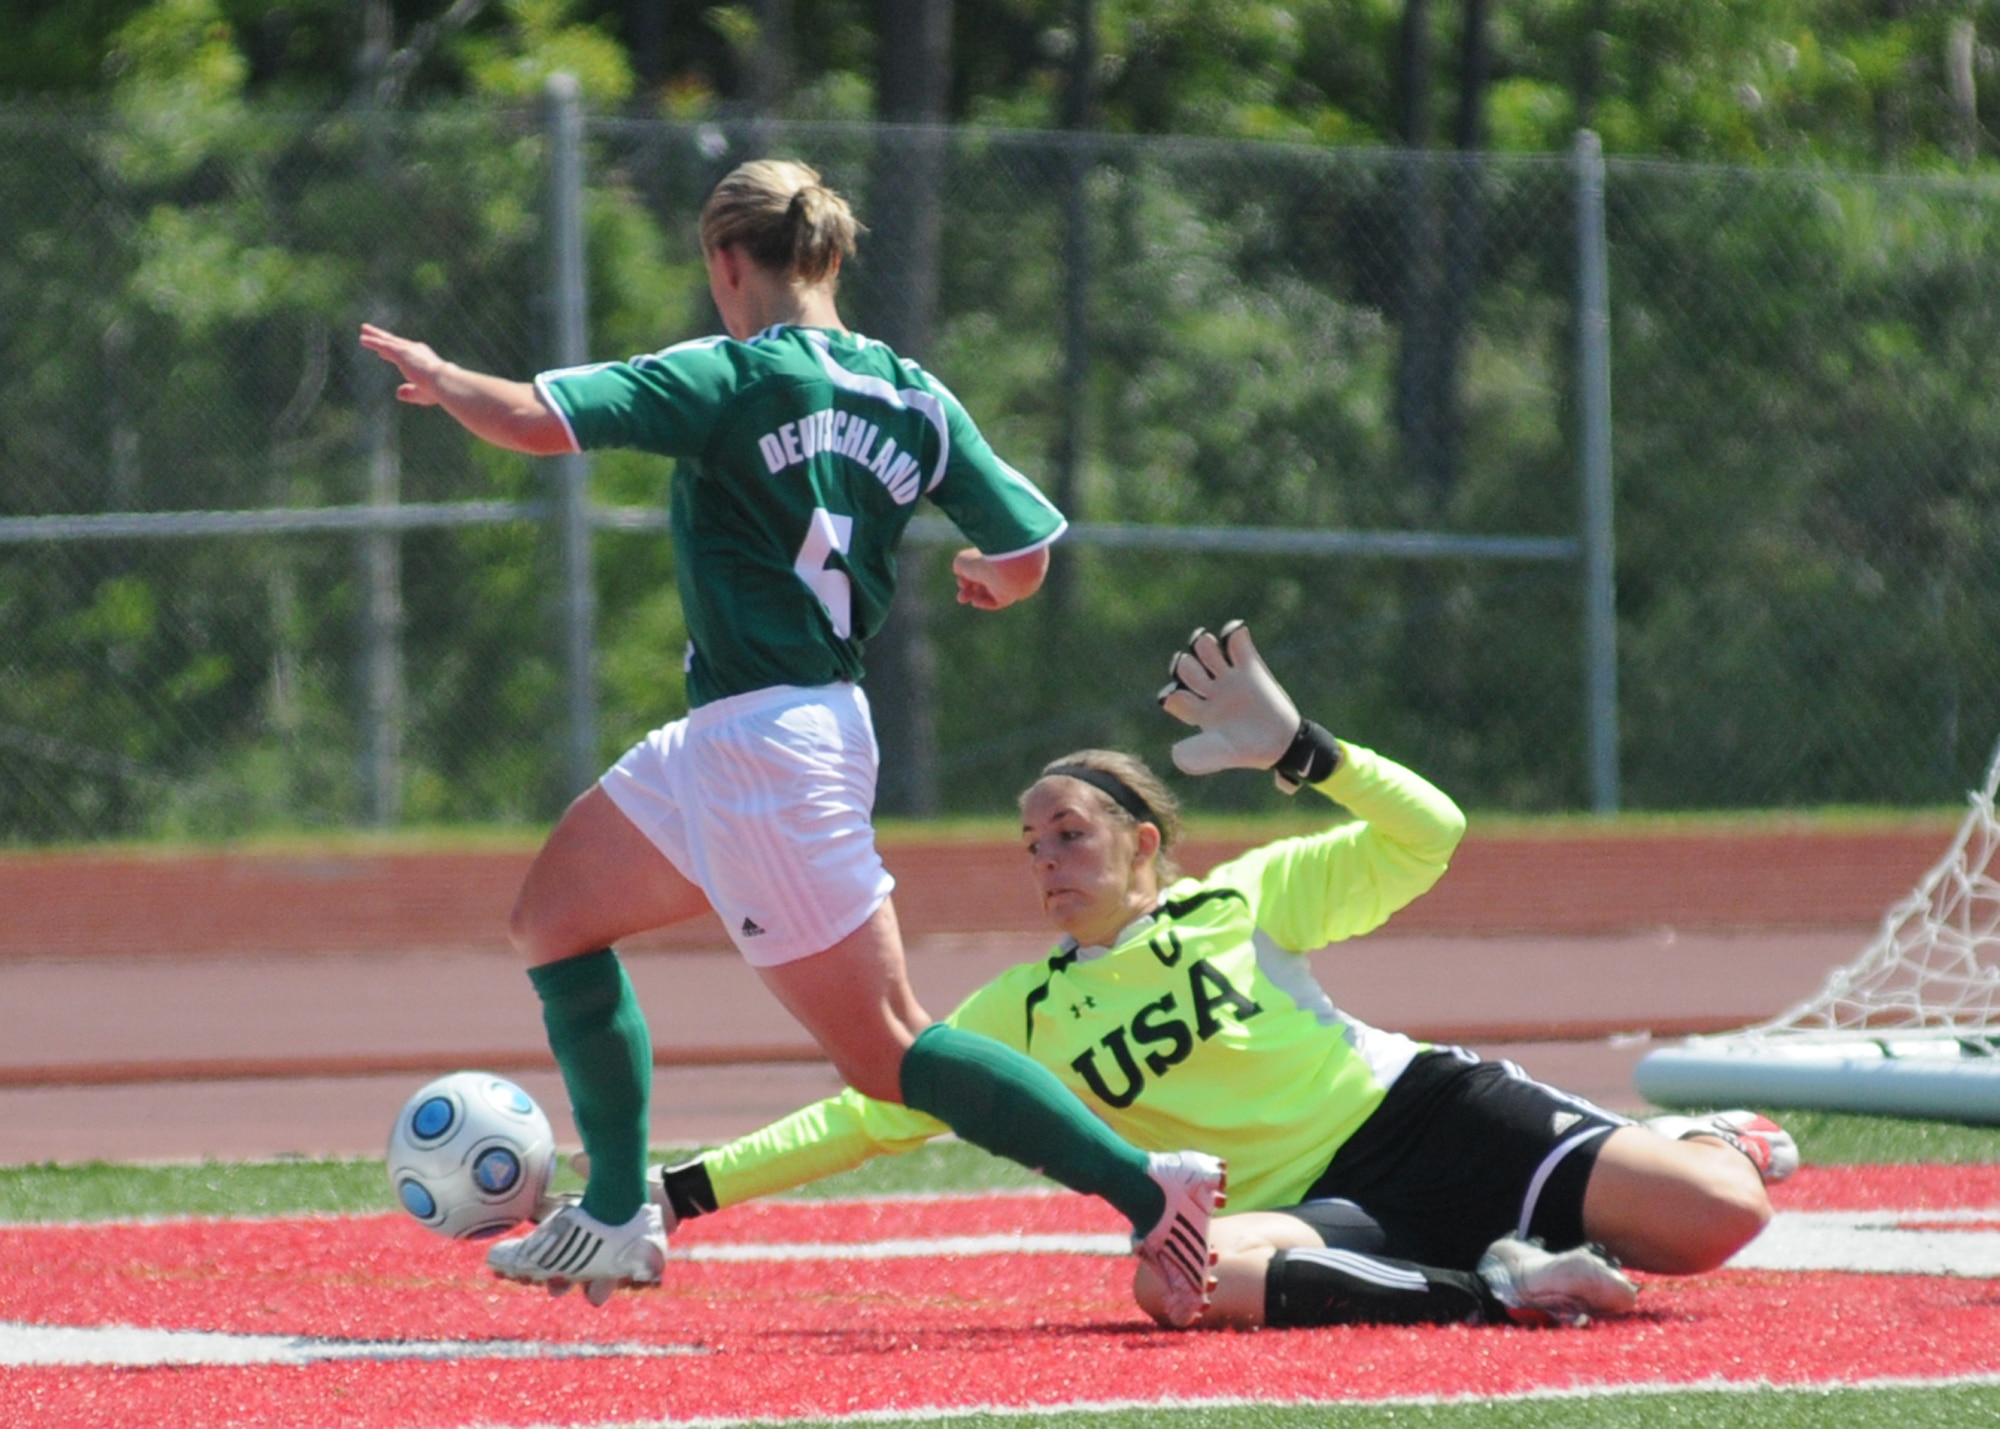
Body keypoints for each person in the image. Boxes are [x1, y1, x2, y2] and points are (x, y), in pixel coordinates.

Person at [358, 159, 1223, 1319]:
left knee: (885, 1050)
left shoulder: (726, 374)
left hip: (765, 744)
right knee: (554, 919)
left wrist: (439, 375)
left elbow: (531, 419)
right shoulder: (912, 392)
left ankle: (1147, 1188)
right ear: (827, 255)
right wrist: (986, 577)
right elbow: (1022, 554)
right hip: (764, 724)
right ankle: (617, 1211)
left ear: (727, 262)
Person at [636, 621, 1795, 1330]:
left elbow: (1428, 834)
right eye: (1031, 843)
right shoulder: (1025, 1011)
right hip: (1319, 1213)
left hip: (1426, 1116)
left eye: (1069, 834)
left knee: (1713, 1220)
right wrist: (680, 1193)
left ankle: (1710, 1137)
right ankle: (1501, 1288)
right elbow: (874, 1105)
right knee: (1173, 1287)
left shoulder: (1242, 898)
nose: (1044, 859)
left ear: (1143, 840)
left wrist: (1305, 754)